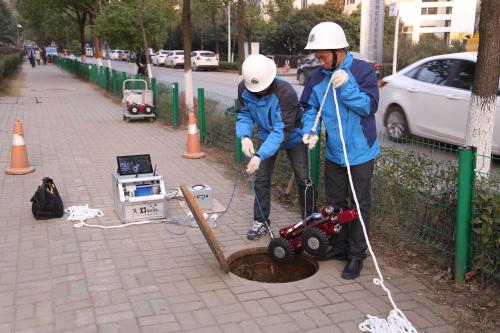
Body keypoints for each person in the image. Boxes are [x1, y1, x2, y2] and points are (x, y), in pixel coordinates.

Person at [300, 22, 380, 279]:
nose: (320, 62)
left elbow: (369, 107)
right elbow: (311, 108)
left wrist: (346, 86)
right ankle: (340, 247)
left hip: (361, 153)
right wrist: (309, 129)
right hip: (335, 153)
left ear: (339, 51)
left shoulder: (363, 71)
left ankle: (357, 255)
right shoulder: (316, 76)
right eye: (317, 57)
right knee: (335, 206)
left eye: (323, 57)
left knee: (358, 205)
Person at [236, 54, 315, 240]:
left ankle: (310, 220)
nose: (259, 93)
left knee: (304, 179)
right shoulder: (244, 88)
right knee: (261, 178)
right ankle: (261, 220)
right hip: (266, 136)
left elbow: (282, 131)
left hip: (293, 137)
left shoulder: (285, 91)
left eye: (262, 89)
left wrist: (260, 155)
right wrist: (244, 136)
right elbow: (244, 115)